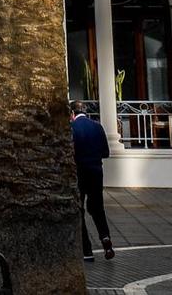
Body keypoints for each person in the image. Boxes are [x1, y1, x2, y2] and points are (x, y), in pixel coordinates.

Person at [72, 103, 114, 261]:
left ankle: (87, 251)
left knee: (79, 210)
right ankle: (105, 238)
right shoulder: (98, 127)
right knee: (97, 208)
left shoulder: (72, 127)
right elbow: (106, 152)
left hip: (79, 172)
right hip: (96, 172)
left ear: (72, 112)